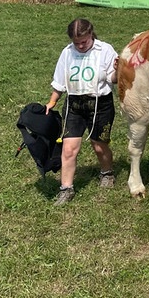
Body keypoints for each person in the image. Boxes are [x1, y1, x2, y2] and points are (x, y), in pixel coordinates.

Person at [45, 18, 119, 206]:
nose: (79, 46)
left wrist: (119, 70)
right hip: (74, 105)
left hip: (100, 105)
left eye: (83, 42)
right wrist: (52, 101)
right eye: (76, 42)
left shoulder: (105, 50)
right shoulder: (67, 52)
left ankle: (107, 173)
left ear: (91, 34)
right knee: (69, 149)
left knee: (99, 146)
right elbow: (60, 81)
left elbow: (113, 78)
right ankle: (66, 188)